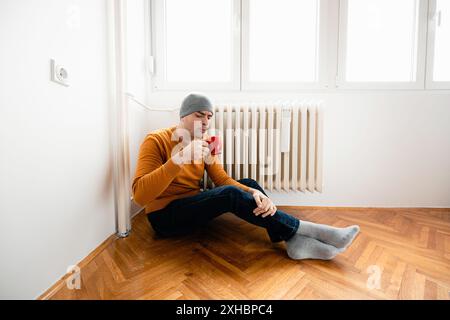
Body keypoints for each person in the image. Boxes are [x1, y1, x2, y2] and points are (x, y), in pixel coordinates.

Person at [132, 93, 360, 260]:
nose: (206, 121)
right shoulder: (156, 140)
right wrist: (179, 158)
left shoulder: (209, 142)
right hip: (165, 217)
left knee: (248, 184)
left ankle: (292, 240)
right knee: (231, 195)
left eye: (209, 116)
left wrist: (256, 193)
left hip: (192, 203)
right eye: (199, 115)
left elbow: (221, 179)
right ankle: (306, 230)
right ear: (182, 117)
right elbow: (141, 195)